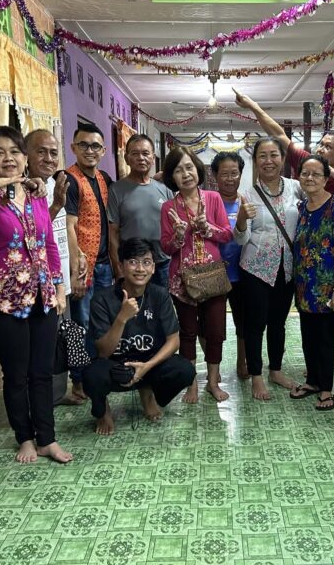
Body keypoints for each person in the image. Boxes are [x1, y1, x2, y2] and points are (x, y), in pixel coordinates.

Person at [0, 126, 72, 465]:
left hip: (42, 295)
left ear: (24, 157)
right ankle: (25, 438)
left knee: (41, 371)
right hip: (2, 301)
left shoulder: (36, 194)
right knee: (16, 374)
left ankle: (47, 439)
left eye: (14, 151)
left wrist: (59, 287)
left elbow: (48, 244)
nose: (8, 158)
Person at [83, 238, 196, 434]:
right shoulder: (102, 299)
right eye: (133, 262)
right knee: (92, 375)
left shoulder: (160, 295)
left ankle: (147, 392)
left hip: (148, 364)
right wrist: (121, 318)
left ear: (153, 268)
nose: (140, 268)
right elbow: (103, 352)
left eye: (146, 262)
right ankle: (102, 410)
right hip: (114, 366)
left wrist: (147, 367)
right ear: (121, 266)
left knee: (184, 370)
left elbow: (174, 341)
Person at [233, 137, 304, 400]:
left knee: (278, 322)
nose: (268, 161)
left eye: (274, 155)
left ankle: (276, 370)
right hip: (256, 267)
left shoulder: (296, 188)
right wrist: (241, 220)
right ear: (255, 161)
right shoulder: (248, 194)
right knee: (255, 324)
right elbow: (241, 239)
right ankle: (257, 376)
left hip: (287, 266)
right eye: (262, 156)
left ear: (283, 159)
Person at [160, 147, 233, 403]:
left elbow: (227, 234)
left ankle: (212, 383)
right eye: (178, 170)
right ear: (172, 177)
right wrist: (179, 236)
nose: (186, 174)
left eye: (189, 167)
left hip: (213, 277)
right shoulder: (168, 207)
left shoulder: (213, 198)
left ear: (197, 169)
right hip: (182, 281)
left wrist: (207, 227)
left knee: (215, 332)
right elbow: (166, 247)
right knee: (188, 333)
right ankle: (191, 384)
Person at [24, 129, 83, 406]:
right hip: (38, 284)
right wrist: (57, 205)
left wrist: (77, 258)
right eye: (41, 152)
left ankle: (57, 393)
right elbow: (32, 235)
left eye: (53, 152)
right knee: (43, 345)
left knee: (64, 337)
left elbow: (62, 231)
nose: (49, 158)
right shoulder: (24, 189)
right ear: (26, 155)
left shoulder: (56, 183)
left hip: (61, 280)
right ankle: (41, 400)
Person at [289, 155, 334, 411]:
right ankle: (313, 382)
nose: (310, 178)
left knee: (325, 338)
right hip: (304, 285)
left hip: (327, 286)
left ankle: (326, 389)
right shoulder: (302, 208)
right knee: (308, 336)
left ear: (326, 179)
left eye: (316, 174)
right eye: (305, 173)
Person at [64, 123, 114, 402]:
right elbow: (69, 226)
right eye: (83, 145)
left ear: (103, 150)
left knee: (100, 323)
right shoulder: (69, 179)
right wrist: (76, 269)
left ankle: (98, 373)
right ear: (73, 148)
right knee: (78, 325)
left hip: (104, 264)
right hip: (83, 266)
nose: (89, 150)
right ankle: (78, 379)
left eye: (95, 146)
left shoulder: (104, 178)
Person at [234, 88, 334, 197]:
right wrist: (254, 106)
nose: (320, 149)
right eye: (321, 144)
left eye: (328, 147)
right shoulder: (306, 160)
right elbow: (278, 134)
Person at [109, 133, 174, 288]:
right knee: (133, 302)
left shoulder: (165, 189)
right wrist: (118, 268)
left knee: (162, 301)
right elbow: (113, 233)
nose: (141, 158)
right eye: (135, 153)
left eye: (145, 153)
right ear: (126, 158)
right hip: (132, 264)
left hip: (162, 263)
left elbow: (174, 227)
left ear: (153, 158)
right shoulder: (116, 190)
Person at [211, 151, 248, 378]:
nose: (230, 178)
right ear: (215, 175)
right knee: (213, 325)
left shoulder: (246, 202)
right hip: (213, 274)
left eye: (234, 173)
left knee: (243, 323)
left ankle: (241, 362)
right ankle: (212, 367)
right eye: (224, 174)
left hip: (242, 274)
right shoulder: (208, 202)